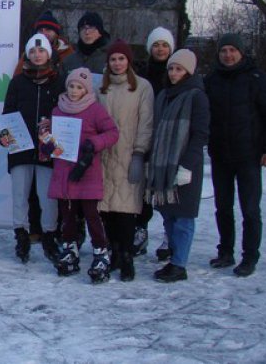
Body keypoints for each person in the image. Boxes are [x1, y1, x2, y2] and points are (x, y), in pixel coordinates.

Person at [205, 33, 266, 277]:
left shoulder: (257, 79)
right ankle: (225, 251)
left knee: (249, 208)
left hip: (249, 154)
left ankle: (250, 256)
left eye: (232, 50)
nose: (228, 55)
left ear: (241, 52)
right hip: (220, 153)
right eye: (224, 50)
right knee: (222, 206)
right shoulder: (212, 80)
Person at [42, 67, 119, 283]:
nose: (74, 91)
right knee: (67, 215)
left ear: (86, 90)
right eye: (71, 86)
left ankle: (101, 252)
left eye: (79, 87)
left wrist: (93, 143)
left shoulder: (95, 110)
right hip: (64, 172)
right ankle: (70, 250)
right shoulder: (58, 110)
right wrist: (45, 141)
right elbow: (52, 147)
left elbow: (112, 133)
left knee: (91, 215)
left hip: (86, 171)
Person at [146, 49, 210, 282]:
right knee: (168, 214)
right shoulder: (163, 95)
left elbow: (200, 134)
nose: (174, 73)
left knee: (183, 217)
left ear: (189, 71)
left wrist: (187, 166)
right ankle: (174, 257)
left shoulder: (196, 96)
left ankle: (179, 264)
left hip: (184, 164)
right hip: (163, 165)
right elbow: (155, 130)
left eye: (179, 69)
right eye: (171, 68)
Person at [0, 33, 62, 264]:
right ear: (27, 54)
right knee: (20, 195)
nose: (37, 55)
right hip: (21, 149)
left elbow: (66, 115)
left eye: (41, 51)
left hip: (48, 149)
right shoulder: (18, 82)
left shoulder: (58, 81)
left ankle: (49, 237)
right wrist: (4, 136)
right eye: (33, 51)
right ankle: (21, 235)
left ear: (49, 54)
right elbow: (8, 113)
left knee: (48, 197)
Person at [97, 40, 154, 281]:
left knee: (126, 210)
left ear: (128, 61)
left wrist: (140, 153)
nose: (117, 63)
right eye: (113, 59)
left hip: (129, 153)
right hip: (102, 155)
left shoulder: (142, 88)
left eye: (121, 59)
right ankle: (114, 253)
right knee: (106, 209)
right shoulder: (100, 87)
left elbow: (146, 122)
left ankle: (128, 256)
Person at [134, 27, 175, 260]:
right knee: (142, 192)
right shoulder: (141, 73)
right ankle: (140, 232)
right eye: (156, 45)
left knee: (166, 190)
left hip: (169, 139)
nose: (161, 49)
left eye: (165, 45)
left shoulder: (178, 72)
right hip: (145, 136)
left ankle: (169, 237)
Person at [14, 10, 74, 75]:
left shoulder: (67, 51)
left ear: (56, 32)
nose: (44, 33)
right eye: (40, 30)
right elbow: (17, 77)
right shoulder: (29, 52)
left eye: (48, 30)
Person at [61, 11, 111, 83]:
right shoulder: (69, 61)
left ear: (100, 31)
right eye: (83, 28)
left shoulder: (112, 58)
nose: (87, 32)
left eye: (91, 27)